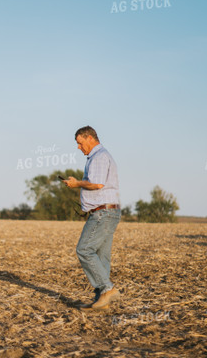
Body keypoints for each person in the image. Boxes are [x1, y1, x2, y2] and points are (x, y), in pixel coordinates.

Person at [63, 126, 121, 310]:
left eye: (80, 143)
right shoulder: (100, 156)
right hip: (108, 212)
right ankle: (101, 301)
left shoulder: (99, 157)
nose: (79, 148)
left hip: (102, 213)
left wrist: (76, 184)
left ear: (89, 138)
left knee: (84, 250)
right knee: (101, 257)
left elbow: (97, 184)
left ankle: (108, 289)